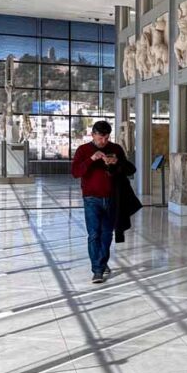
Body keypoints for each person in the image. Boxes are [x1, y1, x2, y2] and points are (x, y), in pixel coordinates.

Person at [71, 120, 136, 283]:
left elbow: (130, 170)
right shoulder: (83, 150)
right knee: (94, 234)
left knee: (107, 234)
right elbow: (75, 172)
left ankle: (101, 261)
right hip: (91, 199)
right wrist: (91, 159)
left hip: (112, 198)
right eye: (100, 138)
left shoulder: (116, 149)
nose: (103, 142)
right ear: (92, 135)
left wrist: (117, 162)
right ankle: (98, 270)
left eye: (106, 138)